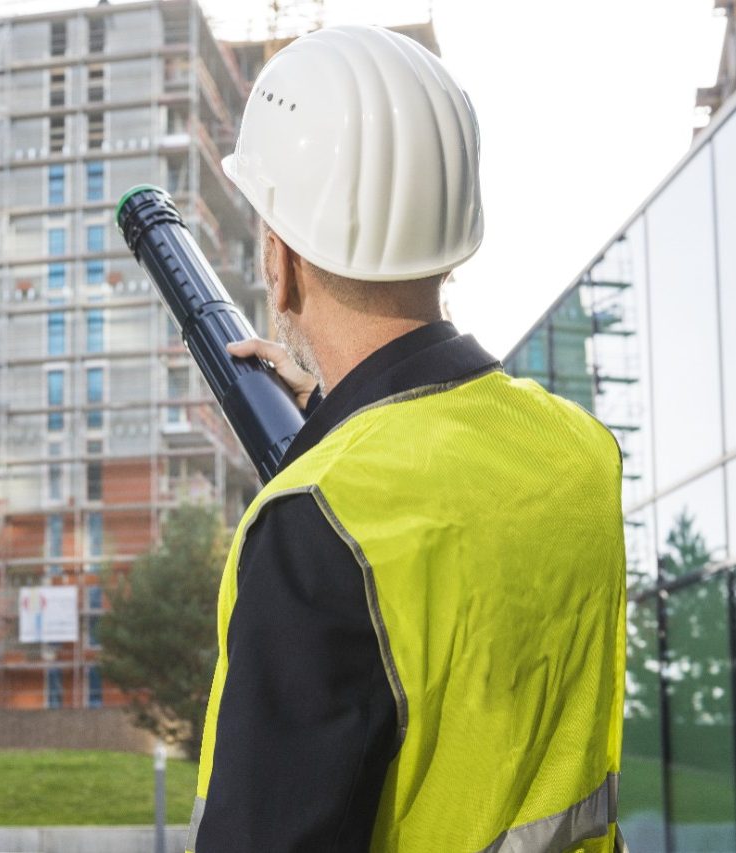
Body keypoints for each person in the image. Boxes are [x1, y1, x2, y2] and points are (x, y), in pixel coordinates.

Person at [186, 25, 626, 853]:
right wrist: (340, 413)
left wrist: (343, 444)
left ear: (279, 260)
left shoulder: (313, 524)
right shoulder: (580, 451)